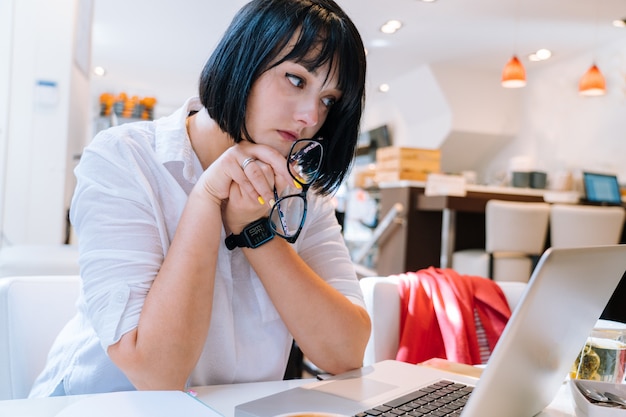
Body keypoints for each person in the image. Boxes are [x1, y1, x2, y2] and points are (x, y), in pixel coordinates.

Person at [29, 0, 370, 397]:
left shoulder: (302, 192)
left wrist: (256, 231)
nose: (311, 115)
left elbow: (345, 352)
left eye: (328, 99)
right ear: (243, 60)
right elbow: (157, 376)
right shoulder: (125, 159)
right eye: (296, 79)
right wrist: (207, 198)